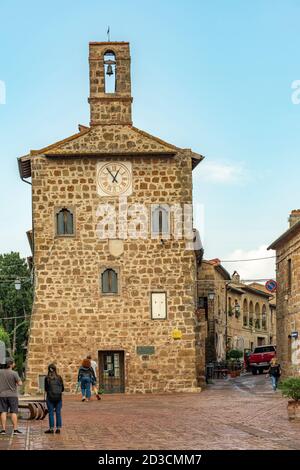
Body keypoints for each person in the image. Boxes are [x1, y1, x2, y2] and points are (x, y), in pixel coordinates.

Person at [0, 358, 22, 435]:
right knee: (13, 412)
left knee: (3, 412)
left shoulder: (0, 372)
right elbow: (20, 383)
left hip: (2, 395)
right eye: (13, 363)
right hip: (12, 395)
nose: (14, 364)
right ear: (10, 365)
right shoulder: (14, 373)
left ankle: (3, 430)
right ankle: (15, 430)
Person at [44, 363, 64, 434]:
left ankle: (51, 429)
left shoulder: (47, 378)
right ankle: (58, 428)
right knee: (58, 413)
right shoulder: (59, 377)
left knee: (51, 413)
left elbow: (46, 389)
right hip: (58, 397)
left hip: (50, 397)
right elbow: (62, 389)